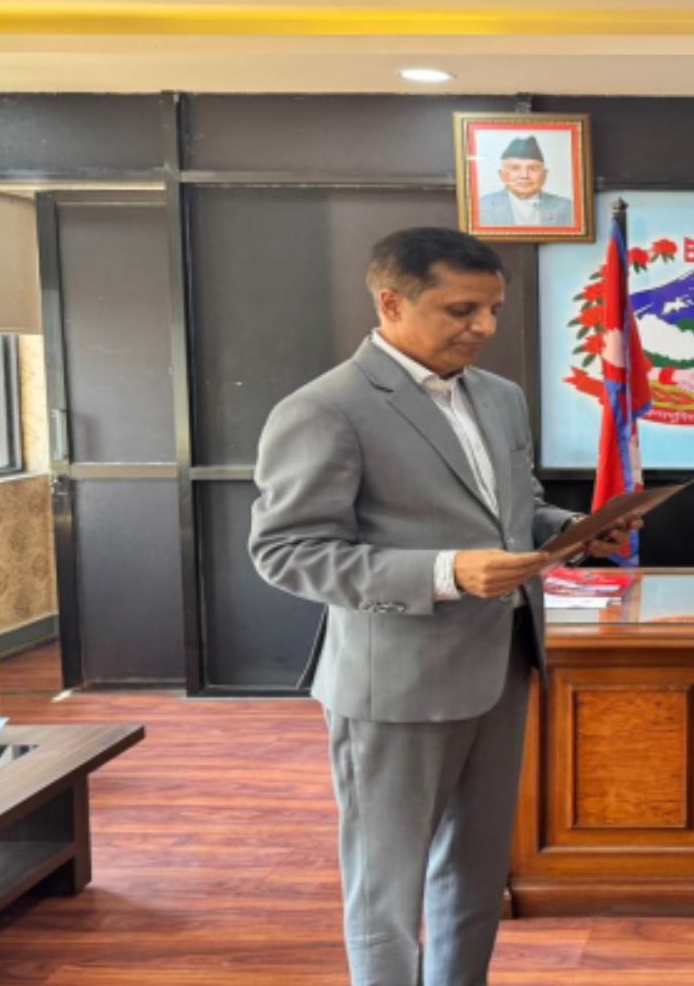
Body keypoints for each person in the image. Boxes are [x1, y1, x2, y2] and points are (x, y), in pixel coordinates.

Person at [250, 226, 634, 986]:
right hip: (394, 684)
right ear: (391, 303)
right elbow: (286, 552)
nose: (484, 328)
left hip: (503, 665)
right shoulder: (325, 408)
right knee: (386, 886)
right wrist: (444, 572)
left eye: (492, 309)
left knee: (475, 870)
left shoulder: (499, 396)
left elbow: (513, 509)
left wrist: (572, 530)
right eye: (462, 310)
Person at [478, 135, 576, 227]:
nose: (524, 175)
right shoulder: (481, 207)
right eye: (515, 168)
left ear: (545, 175)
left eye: (533, 168)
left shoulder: (568, 208)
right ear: (501, 175)